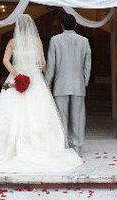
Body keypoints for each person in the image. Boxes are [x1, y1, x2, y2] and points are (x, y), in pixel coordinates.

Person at [0, 14, 81, 173]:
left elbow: (5, 61)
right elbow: (42, 63)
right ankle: (40, 146)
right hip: (35, 80)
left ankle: (6, 146)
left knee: (9, 111)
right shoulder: (37, 41)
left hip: (15, 77)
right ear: (31, 26)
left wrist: (16, 74)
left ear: (17, 26)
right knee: (38, 112)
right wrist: (39, 73)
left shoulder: (13, 42)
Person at [44, 12, 91, 154]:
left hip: (60, 84)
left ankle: (64, 145)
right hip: (78, 84)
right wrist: (85, 81)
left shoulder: (55, 40)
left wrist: (47, 83)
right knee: (78, 116)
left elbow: (51, 64)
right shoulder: (84, 40)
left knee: (62, 116)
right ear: (75, 24)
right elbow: (87, 64)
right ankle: (77, 146)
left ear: (62, 25)